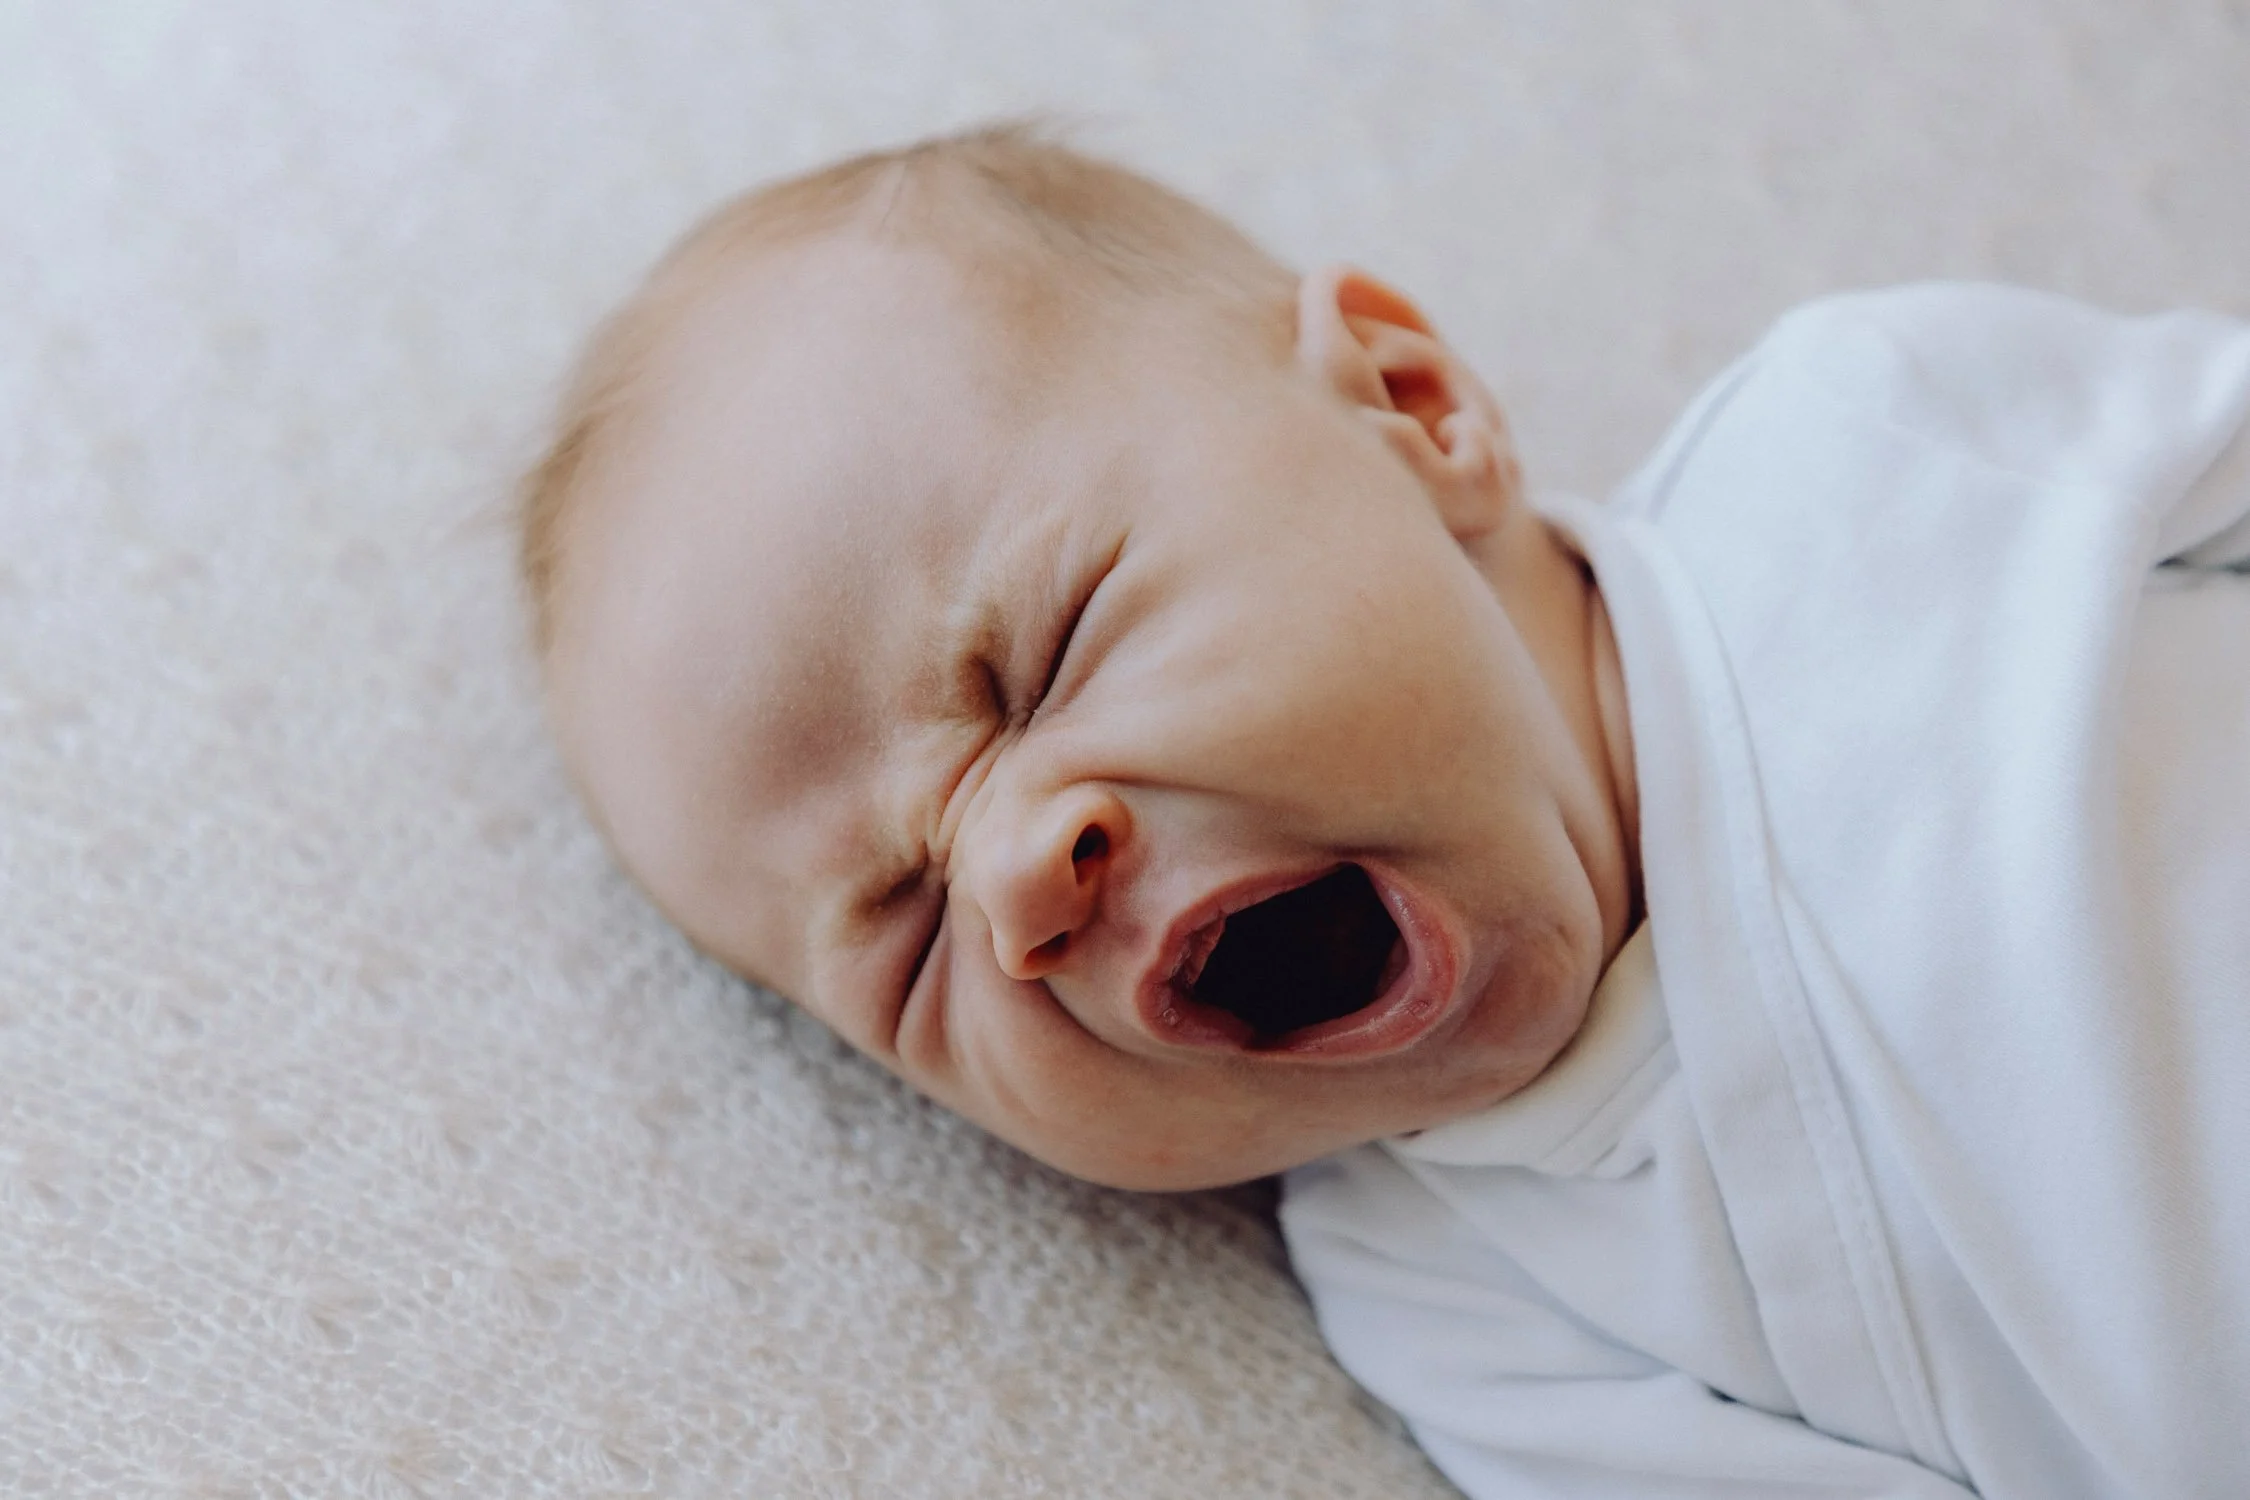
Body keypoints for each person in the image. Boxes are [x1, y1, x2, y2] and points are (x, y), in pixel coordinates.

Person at [520, 124, 2250, 1497]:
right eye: (903, 950)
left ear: (1410, 410)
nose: (1012, 887)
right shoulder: (1467, 1310)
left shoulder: (1869, 452)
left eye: (1040, 662)